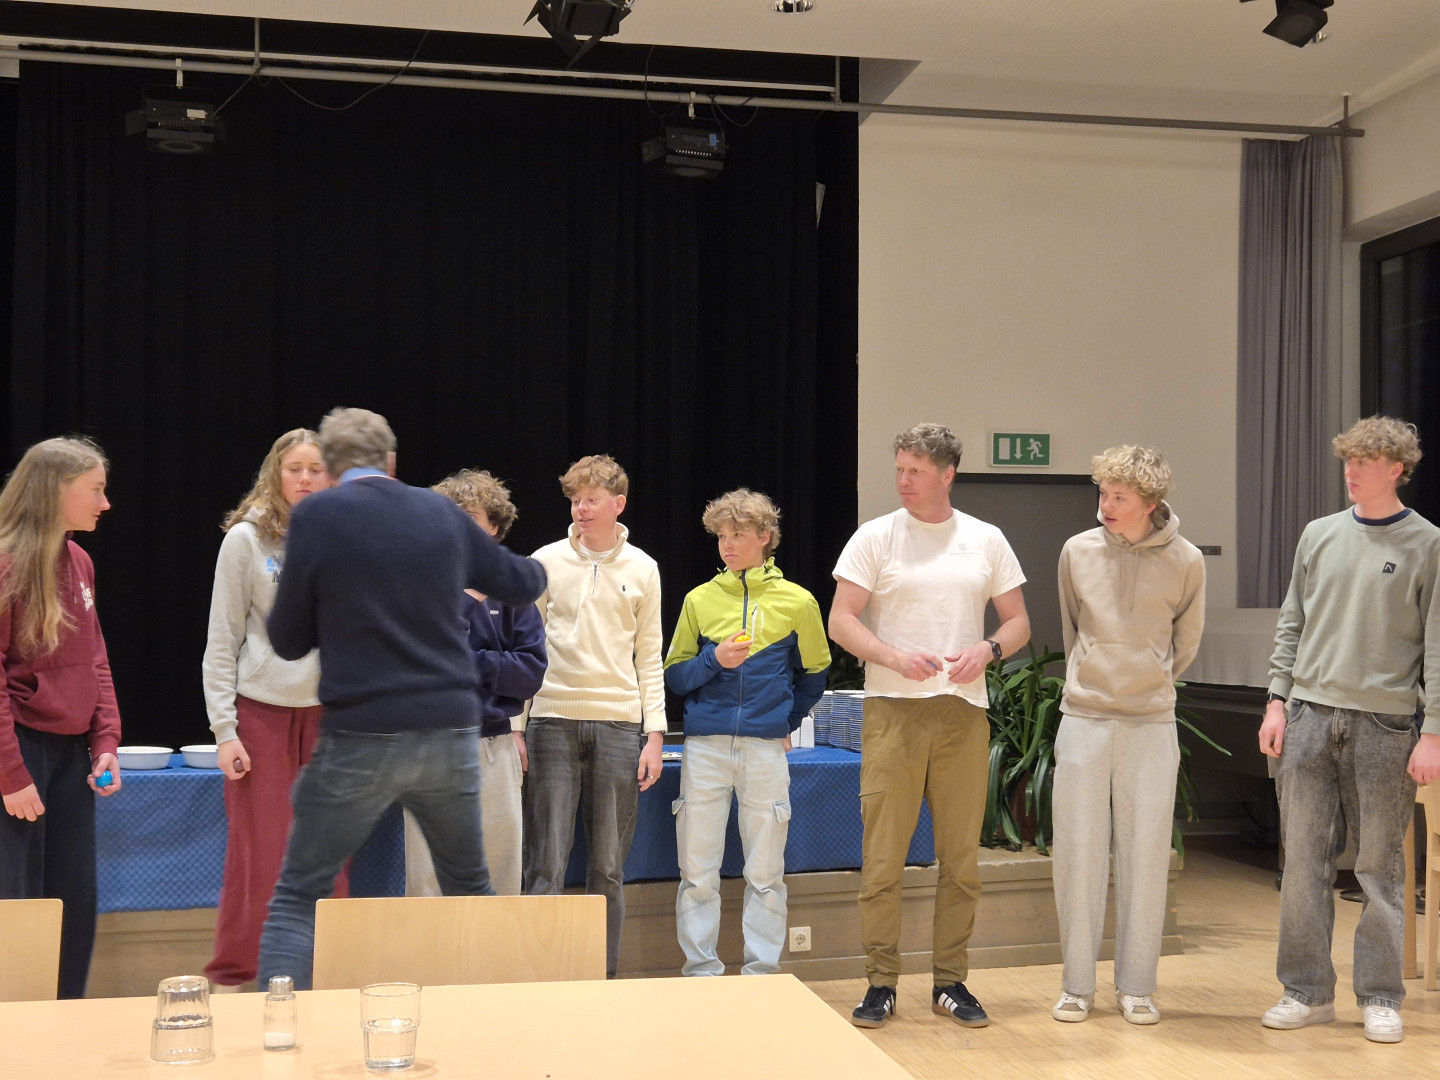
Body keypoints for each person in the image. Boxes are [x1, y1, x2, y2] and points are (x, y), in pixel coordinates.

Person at [255, 409, 547, 989]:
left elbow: (287, 641)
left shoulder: (318, 516)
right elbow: (524, 582)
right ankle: (501, 1019)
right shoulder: (438, 512)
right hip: (447, 733)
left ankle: (278, 1028)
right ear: (390, 461)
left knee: (297, 897)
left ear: (331, 467)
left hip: (361, 732)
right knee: (471, 887)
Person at [830, 421, 1029, 1029]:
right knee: (882, 859)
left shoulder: (986, 538)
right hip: (893, 711)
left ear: (947, 475)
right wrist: (892, 656)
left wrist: (988, 650)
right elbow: (842, 619)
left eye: (916, 471)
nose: (903, 480)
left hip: (962, 713)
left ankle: (951, 980)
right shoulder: (875, 536)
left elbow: (1018, 621)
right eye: (899, 469)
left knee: (961, 860)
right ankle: (880, 981)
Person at [1259, 415, 1440, 1045]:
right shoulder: (1318, 534)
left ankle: (1380, 996)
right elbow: (1292, 622)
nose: (1351, 472)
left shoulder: (1428, 543)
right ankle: (1306, 992)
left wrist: (1433, 731)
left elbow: (1437, 645)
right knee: (1303, 864)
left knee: (1378, 868)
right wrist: (1276, 701)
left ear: (1396, 469)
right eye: (1347, 461)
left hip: (1386, 725)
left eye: (1364, 462)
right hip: (1308, 715)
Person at [1049, 445, 1205, 1026]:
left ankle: (1138, 987)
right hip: (1084, 719)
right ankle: (1076, 986)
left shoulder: (1187, 560)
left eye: (1119, 496)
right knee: (1077, 854)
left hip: (1150, 724)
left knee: (1145, 856)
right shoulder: (1076, 551)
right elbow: (1072, 629)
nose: (1105, 505)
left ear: (1150, 501)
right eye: (1103, 493)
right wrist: (1091, 681)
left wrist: (1149, 682)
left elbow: (1186, 644)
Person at [200, 428, 345, 990]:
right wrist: (224, 730)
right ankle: (248, 970)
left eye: (316, 469)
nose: (305, 479)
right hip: (261, 712)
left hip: (329, 715)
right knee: (261, 851)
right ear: (275, 473)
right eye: (294, 468)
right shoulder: (246, 539)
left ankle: (324, 967)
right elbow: (222, 639)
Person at [664, 488, 830, 976]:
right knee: (697, 873)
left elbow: (816, 674)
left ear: (765, 536)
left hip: (764, 750)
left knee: (766, 873)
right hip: (705, 748)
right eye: (721, 535)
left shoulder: (798, 601)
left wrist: (784, 722)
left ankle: (762, 975)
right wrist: (713, 659)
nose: (727, 544)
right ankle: (701, 972)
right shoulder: (699, 599)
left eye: (737, 534)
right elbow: (674, 676)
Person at [522, 454, 665, 979]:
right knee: (545, 864)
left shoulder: (643, 567)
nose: (581, 508)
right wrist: (517, 728)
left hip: (620, 727)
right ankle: (538, 977)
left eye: (591, 499)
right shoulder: (544, 561)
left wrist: (655, 735)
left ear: (617, 504)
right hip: (551, 721)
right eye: (575, 499)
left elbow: (649, 655)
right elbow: (526, 650)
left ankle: (603, 978)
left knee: (607, 868)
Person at [0, 436, 122, 999]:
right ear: (56, 490)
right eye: (95, 490)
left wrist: (106, 741)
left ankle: (66, 1015)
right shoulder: (7, 564)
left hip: (71, 756)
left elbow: (94, 658)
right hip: (20, 754)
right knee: (18, 901)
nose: (105, 503)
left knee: (74, 900)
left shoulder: (79, 561)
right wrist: (11, 773)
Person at [405, 469, 546, 897]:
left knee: (500, 876)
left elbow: (530, 674)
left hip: (494, 744)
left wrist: (466, 661)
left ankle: (495, 947)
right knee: (429, 882)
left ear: (494, 528)